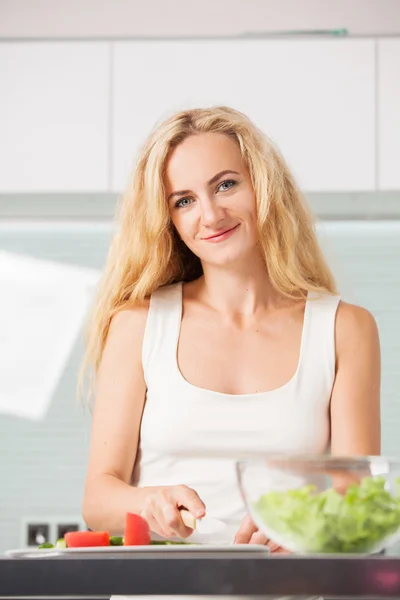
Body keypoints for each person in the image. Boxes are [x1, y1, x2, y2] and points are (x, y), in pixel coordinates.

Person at [81, 105, 381, 557]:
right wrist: (149, 502)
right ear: (169, 221)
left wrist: (304, 529)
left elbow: (354, 498)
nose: (210, 214)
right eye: (183, 200)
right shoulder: (138, 326)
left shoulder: (344, 328)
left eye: (225, 184)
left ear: (262, 186)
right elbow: (98, 498)